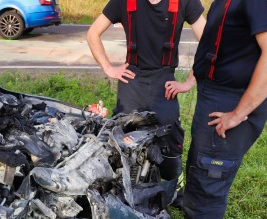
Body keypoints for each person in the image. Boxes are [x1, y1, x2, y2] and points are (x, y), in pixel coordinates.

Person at [182, 0, 267, 219]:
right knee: (199, 163)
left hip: (232, 99)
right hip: (214, 93)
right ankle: (191, 215)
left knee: (211, 172)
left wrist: (239, 113)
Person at [87, 0, 207, 183]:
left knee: (170, 136)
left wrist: (190, 81)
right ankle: (124, 184)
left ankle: (173, 186)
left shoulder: (185, 2)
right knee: (122, 136)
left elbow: (209, 41)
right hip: (132, 77)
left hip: (164, 81)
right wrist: (108, 67)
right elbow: (93, 33)